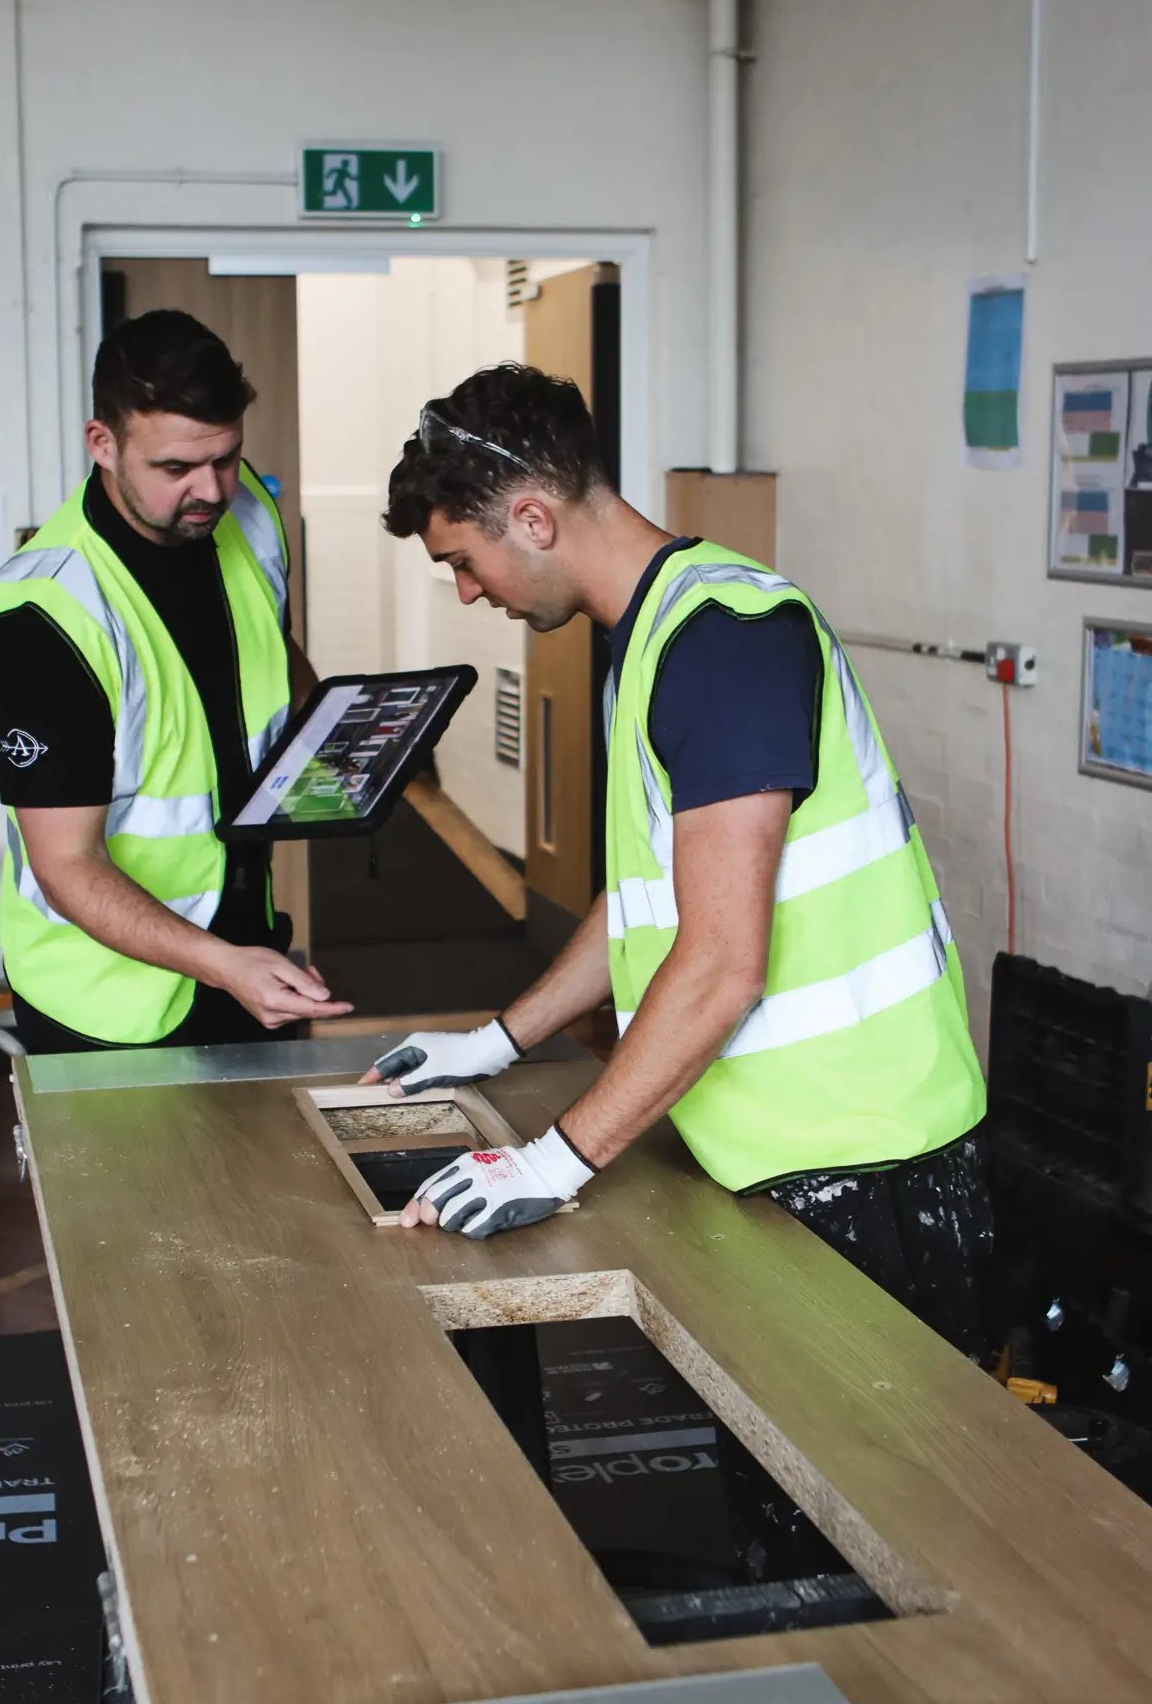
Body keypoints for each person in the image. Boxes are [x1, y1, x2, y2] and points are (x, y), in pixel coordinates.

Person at [364, 363, 991, 1357]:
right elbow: (654, 894)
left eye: (463, 558)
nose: (467, 589)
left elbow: (722, 959)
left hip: (867, 1161)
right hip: (777, 1148)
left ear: (532, 516)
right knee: (778, 1491)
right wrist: (497, 1038)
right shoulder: (652, 635)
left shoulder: (722, 642)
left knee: (853, 1499)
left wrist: (551, 1162)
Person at [0, 309, 351, 1053]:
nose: (209, 489)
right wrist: (222, 966)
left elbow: (273, 650)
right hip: (108, 997)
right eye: (175, 468)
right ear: (101, 444)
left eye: (227, 457)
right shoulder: (43, 616)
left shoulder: (248, 516)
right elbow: (66, 865)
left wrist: (339, 738)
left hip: (246, 943)